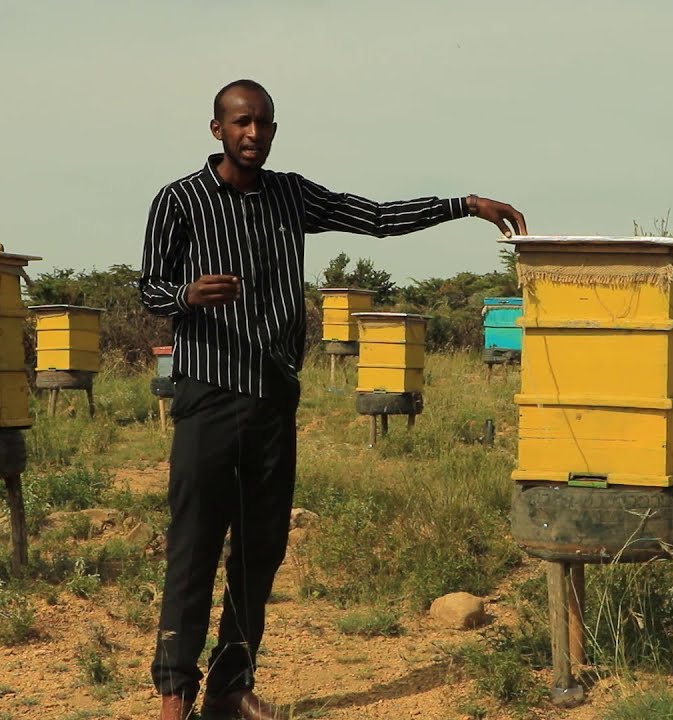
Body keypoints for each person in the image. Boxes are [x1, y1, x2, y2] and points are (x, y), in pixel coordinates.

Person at [138, 79, 527, 720]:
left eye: (264, 123)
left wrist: (464, 204)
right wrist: (185, 296)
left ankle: (229, 688)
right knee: (194, 545)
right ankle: (173, 696)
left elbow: (373, 217)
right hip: (207, 392)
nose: (253, 134)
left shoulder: (291, 194)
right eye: (241, 123)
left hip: (273, 399)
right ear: (216, 129)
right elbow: (148, 287)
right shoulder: (179, 202)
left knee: (260, 549)